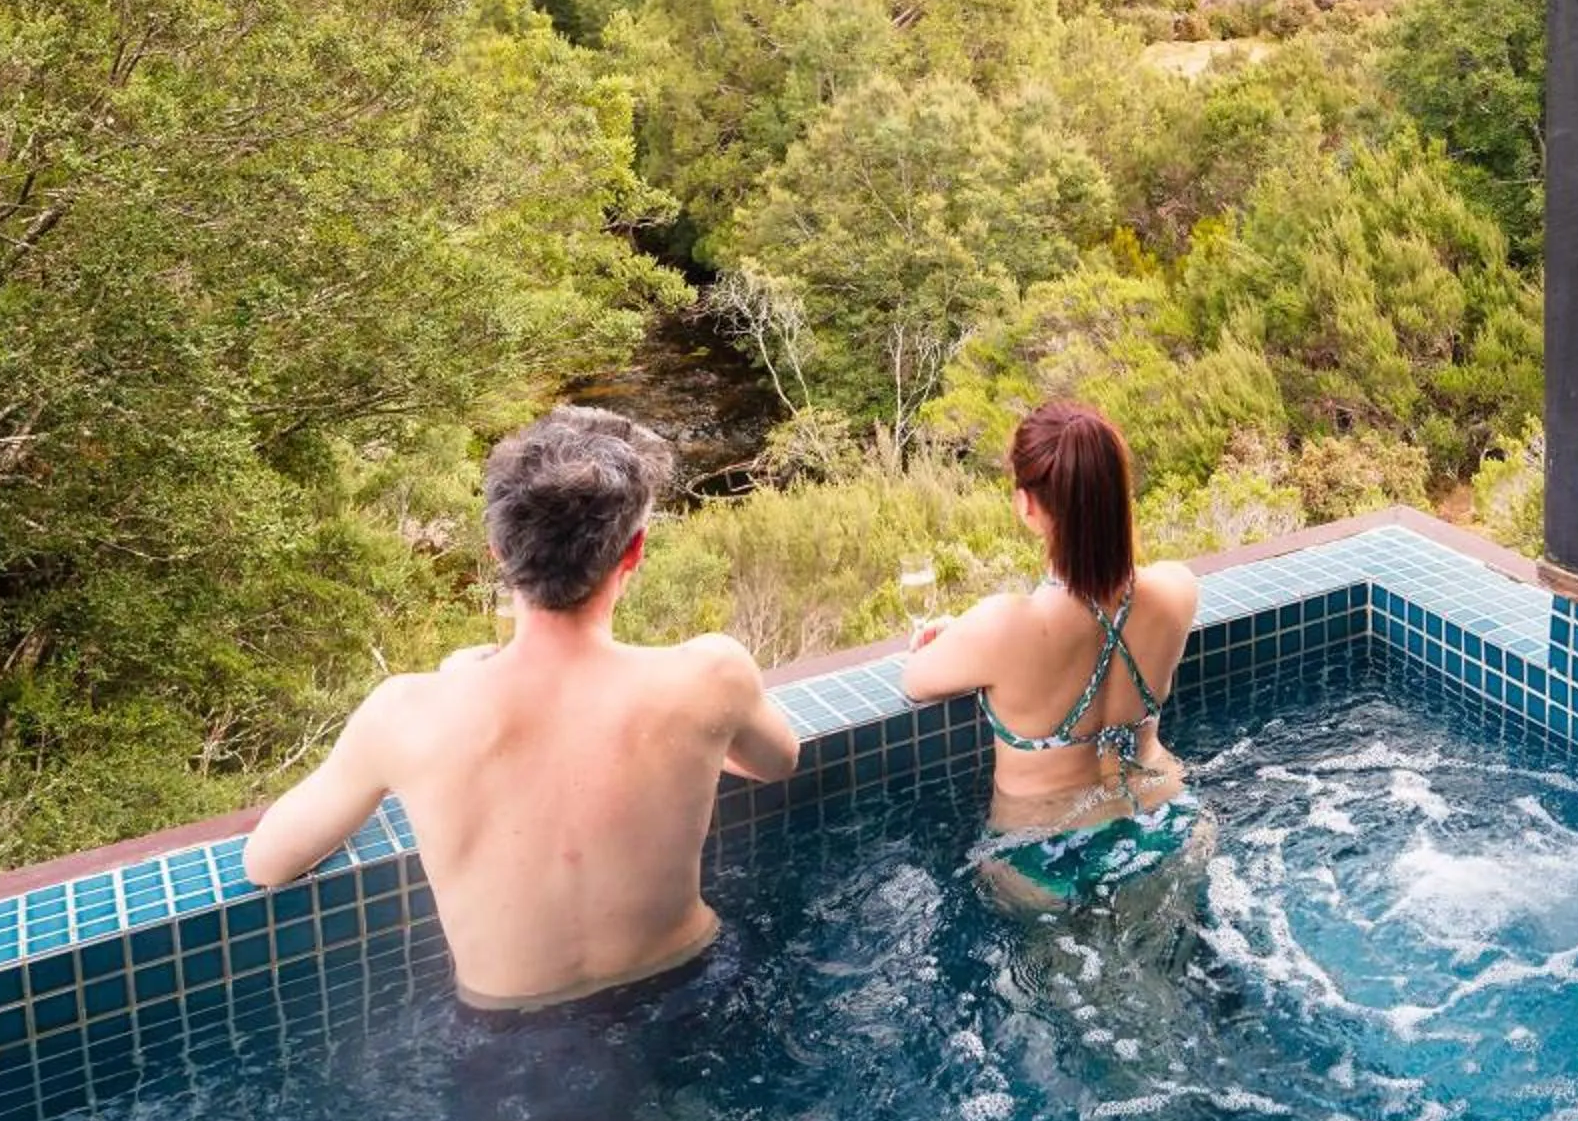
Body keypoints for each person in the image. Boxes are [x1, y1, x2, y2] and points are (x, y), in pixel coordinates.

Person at [243, 406, 802, 1009]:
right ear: (634, 550)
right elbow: (778, 762)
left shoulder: (407, 715)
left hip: (511, 1029)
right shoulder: (712, 676)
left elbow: (267, 862)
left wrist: (457, 686)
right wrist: (695, 745)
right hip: (695, 983)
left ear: (498, 553)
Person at [900, 401, 1204, 909]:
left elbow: (914, 679)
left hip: (1043, 856)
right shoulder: (1178, 590)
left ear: (1027, 505)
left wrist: (961, 637)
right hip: (1167, 822)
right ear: (1119, 494)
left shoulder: (1001, 627)